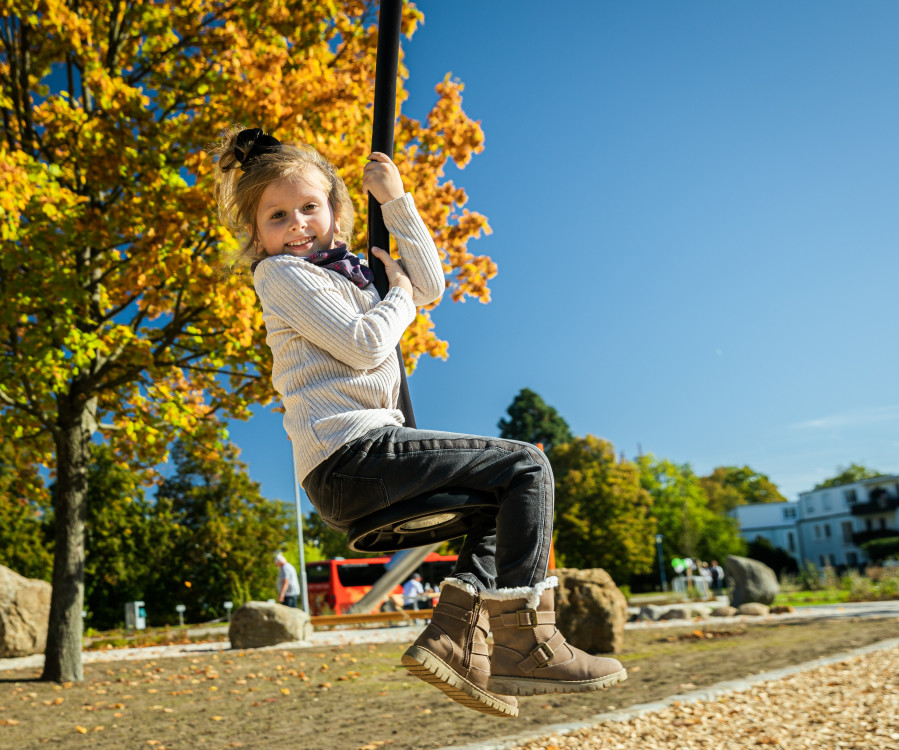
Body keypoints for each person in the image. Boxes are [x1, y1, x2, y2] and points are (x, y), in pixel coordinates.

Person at [213, 127, 626, 719]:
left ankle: (454, 637)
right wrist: (398, 295)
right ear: (256, 234)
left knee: (503, 498)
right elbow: (363, 344)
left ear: (336, 211)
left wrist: (397, 203)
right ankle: (527, 644)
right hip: (349, 456)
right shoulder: (281, 276)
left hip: (368, 457)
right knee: (527, 463)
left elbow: (428, 286)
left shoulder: (354, 273)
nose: (298, 224)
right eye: (278, 216)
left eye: (310, 207)